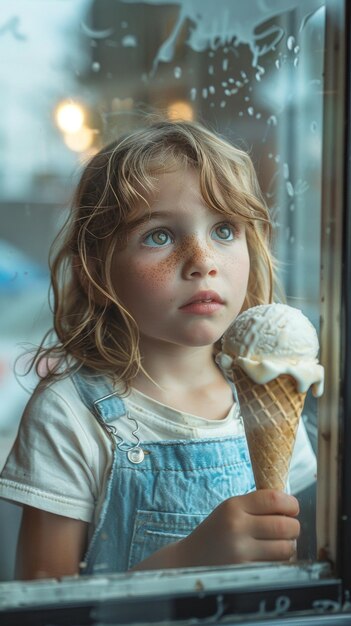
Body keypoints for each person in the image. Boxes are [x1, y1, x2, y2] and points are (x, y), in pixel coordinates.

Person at [0, 119, 316, 580]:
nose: (203, 262)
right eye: (160, 236)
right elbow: (46, 602)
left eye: (224, 230)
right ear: (95, 270)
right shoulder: (69, 416)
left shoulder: (268, 385)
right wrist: (191, 560)